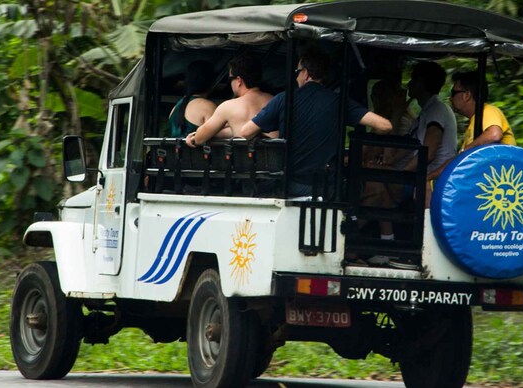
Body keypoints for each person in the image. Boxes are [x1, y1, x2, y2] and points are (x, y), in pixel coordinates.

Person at [240, 49, 392, 197]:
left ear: (305, 73)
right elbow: (385, 126)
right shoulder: (338, 101)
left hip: (290, 185)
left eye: (297, 72)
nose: (296, 78)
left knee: (251, 188)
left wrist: (267, 138)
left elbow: (246, 132)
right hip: (327, 187)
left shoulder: (284, 99)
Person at [361, 62, 458, 252]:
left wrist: (401, 173)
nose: (408, 86)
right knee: (376, 182)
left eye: (412, 80)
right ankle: (386, 243)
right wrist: (397, 110)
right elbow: (393, 155)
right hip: (415, 177)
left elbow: (428, 152)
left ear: (421, 83)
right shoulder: (424, 114)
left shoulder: (437, 110)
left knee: (375, 181)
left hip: (427, 181)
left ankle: (353, 235)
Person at [185, 54, 274, 146]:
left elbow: (200, 138)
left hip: (247, 158)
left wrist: (195, 136)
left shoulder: (229, 106)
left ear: (239, 80)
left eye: (230, 78)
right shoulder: (275, 101)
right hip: (278, 158)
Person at [449, 70, 515, 150]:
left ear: (467, 95)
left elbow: (494, 134)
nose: (450, 98)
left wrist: (465, 151)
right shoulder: (474, 120)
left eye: (453, 93)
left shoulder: (488, 110)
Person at [168, 60, 217, 137]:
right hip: (195, 149)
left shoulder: (176, 107)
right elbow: (219, 135)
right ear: (211, 81)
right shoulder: (207, 106)